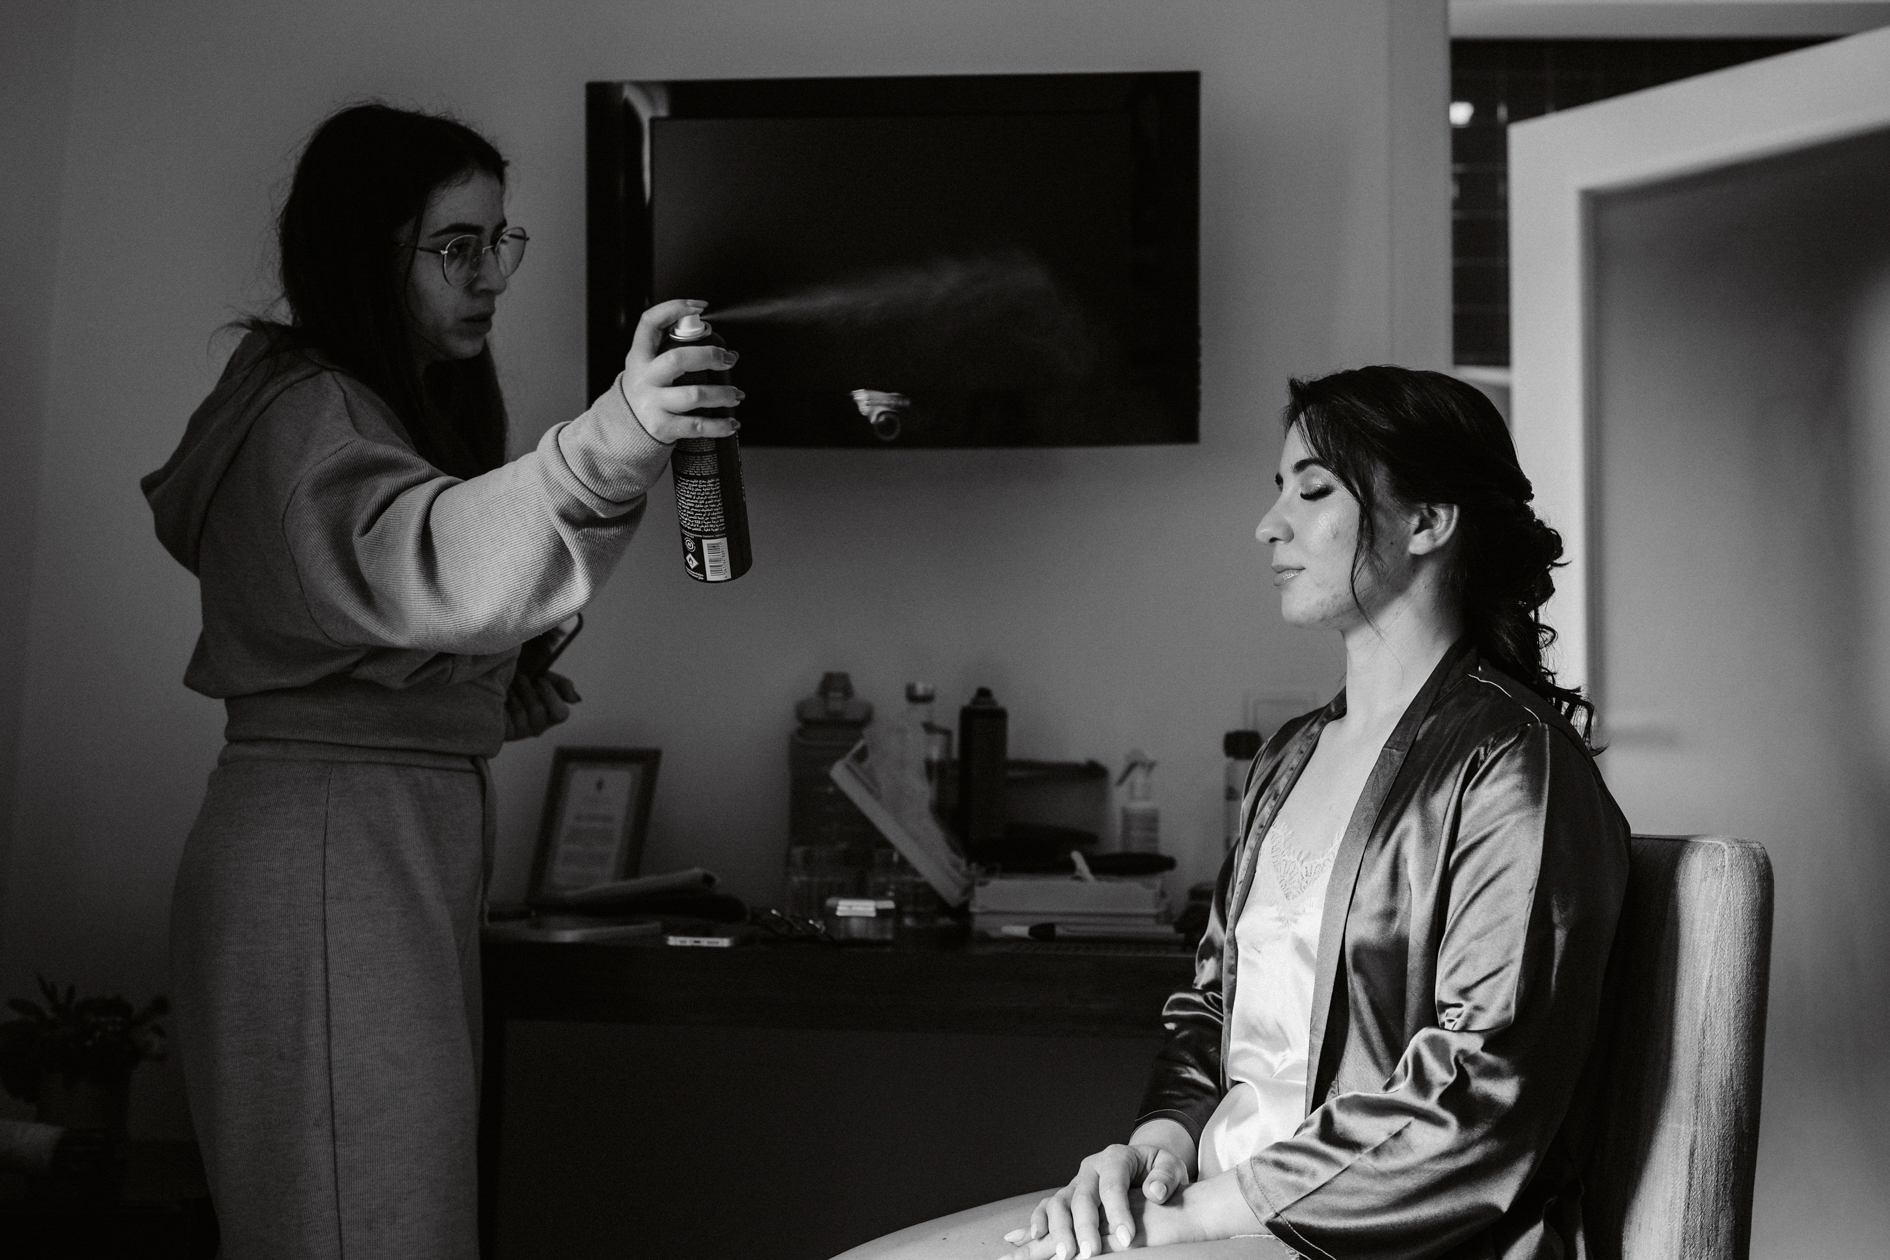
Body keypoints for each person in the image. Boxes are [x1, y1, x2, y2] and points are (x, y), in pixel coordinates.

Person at [841, 366, 1630, 1260]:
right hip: (1213, 1203)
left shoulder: (1512, 764)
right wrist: (1152, 1156)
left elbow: (1483, 1091)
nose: (1269, 524)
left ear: (1427, 521)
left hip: (1375, 1239)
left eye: (1314, 491)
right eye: (1278, 489)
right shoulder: (1289, 758)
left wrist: (1201, 1216)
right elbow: (1212, 1008)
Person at [141, 103, 738, 1259]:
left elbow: (363, 608)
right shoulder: (306, 411)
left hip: (355, 844)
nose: (491, 276)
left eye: (499, 241)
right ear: (365, 252)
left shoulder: (348, 405)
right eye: (455, 246)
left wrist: (460, 702)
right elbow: (428, 557)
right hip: (331, 857)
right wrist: (615, 435)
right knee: (367, 1225)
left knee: (374, 1216)